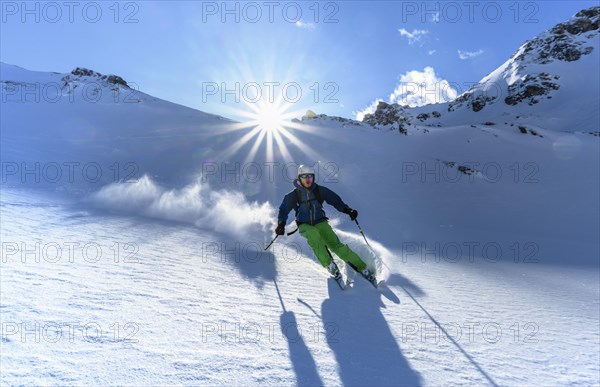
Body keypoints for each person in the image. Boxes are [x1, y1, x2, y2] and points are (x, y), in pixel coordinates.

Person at [276, 164, 375, 282]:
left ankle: (362, 267)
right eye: (304, 177)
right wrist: (281, 224)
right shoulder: (293, 195)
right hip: (304, 225)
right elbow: (283, 210)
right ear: (299, 178)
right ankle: (330, 265)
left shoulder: (319, 190)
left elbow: (335, 200)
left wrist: (348, 210)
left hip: (321, 222)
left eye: (310, 176)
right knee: (314, 238)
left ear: (313, 177)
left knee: (336, 246)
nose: (307, 179)